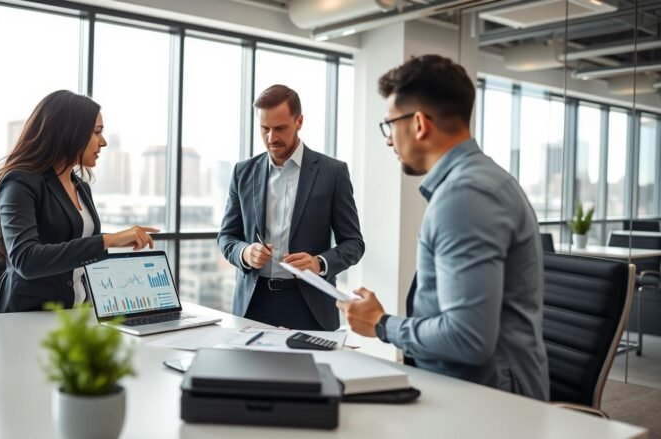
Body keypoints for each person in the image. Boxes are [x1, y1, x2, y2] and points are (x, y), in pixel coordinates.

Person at [337, 55, 549, 400]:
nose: (389, 139)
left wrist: (381, 324)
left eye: (390, 124)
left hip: (488, 404)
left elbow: (467, 337)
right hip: (480, 390)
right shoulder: (480, 181)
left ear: (419, 123)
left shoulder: (466, 195)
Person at [0, 90, 159, 313]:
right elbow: (26, 260)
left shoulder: (81, 187)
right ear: (69, 133)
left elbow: (77, 249)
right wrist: (109, 240)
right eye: (96, 132)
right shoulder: (19, 182)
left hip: (77, 313)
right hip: (27, 316)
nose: (104, 142)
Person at [218, 84, 364, 330]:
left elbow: (354, 244)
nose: (271, 138)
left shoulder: (333, 173)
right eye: (264, 129)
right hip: (253, 304)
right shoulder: (242, 172)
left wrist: (319, 262)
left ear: (299, 121)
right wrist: (244, 253)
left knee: (307, 370)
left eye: (280, 128)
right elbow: (226, 237)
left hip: (310, 305)